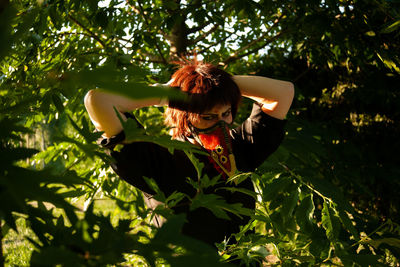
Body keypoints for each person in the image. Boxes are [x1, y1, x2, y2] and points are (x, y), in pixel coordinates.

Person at [84, 60, 294, 249]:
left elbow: (283, 92)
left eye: (226, 113)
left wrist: (220, 86)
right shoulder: (158, 160)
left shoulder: (241, 147)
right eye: (208, 116)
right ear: (185, 117)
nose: (221, 123)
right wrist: (173, 93)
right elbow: (98, 100)